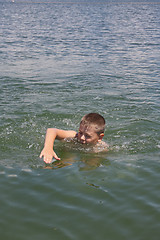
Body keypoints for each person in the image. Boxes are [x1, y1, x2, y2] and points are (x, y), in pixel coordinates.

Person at [39, 113, 108, 164]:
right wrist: (48, 148)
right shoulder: (73, 136)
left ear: (100, 137)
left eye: (88, 136)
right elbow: (51, 130)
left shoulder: (101, 149)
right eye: (80, 132)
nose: (82, 137)